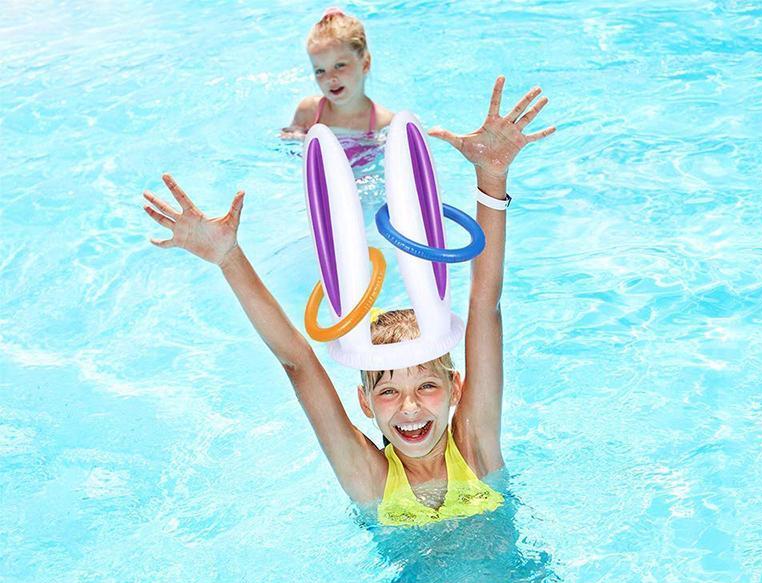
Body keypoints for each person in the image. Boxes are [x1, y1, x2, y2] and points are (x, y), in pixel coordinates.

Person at [143, 76, 555, 525]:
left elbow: (485, 303)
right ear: (364, 403)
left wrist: (492, 176)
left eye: (428, 386)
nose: (410, 407)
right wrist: (229, 258)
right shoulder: (370, 480)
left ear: (457, 389)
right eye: (388, 391)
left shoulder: (475, 446)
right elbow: (298, 363)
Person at [280, 7, 394, 167]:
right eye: (320, 70)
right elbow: (289, 151)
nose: (330, 78)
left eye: (339, 65)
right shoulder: (309, 112)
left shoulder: (384, 123)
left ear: (365, 64)